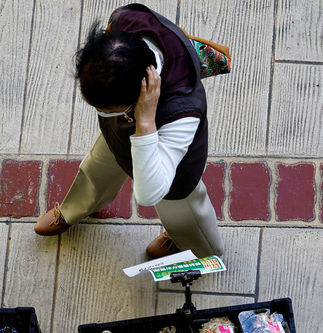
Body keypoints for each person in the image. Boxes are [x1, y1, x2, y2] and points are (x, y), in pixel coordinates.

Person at [35, 3, 224, 260]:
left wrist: (145, 122)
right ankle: (79, 208)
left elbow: (148, 194)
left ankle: (197, 247)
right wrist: (119, 116)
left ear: (142, 94)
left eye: (108, 109)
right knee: (95, 170)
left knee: (182, 211)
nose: (101, 112)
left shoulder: (182, 111)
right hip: (118, 136)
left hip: (173, 171)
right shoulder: (124, 23)